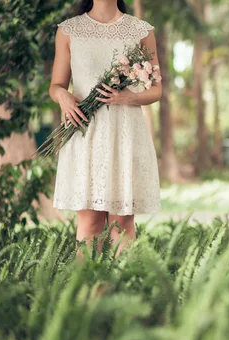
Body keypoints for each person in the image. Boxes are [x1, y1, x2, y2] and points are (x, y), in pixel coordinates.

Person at [49, 0, 162, 254]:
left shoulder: (141, 30)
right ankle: (90, 292)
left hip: (125, 134)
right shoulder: (69, 30)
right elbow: (56, 85)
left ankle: (124, 290)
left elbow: (156, 89)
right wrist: (63, 97)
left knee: (122, 223)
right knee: (89, 223)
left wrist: (127, 97)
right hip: (85, 131)